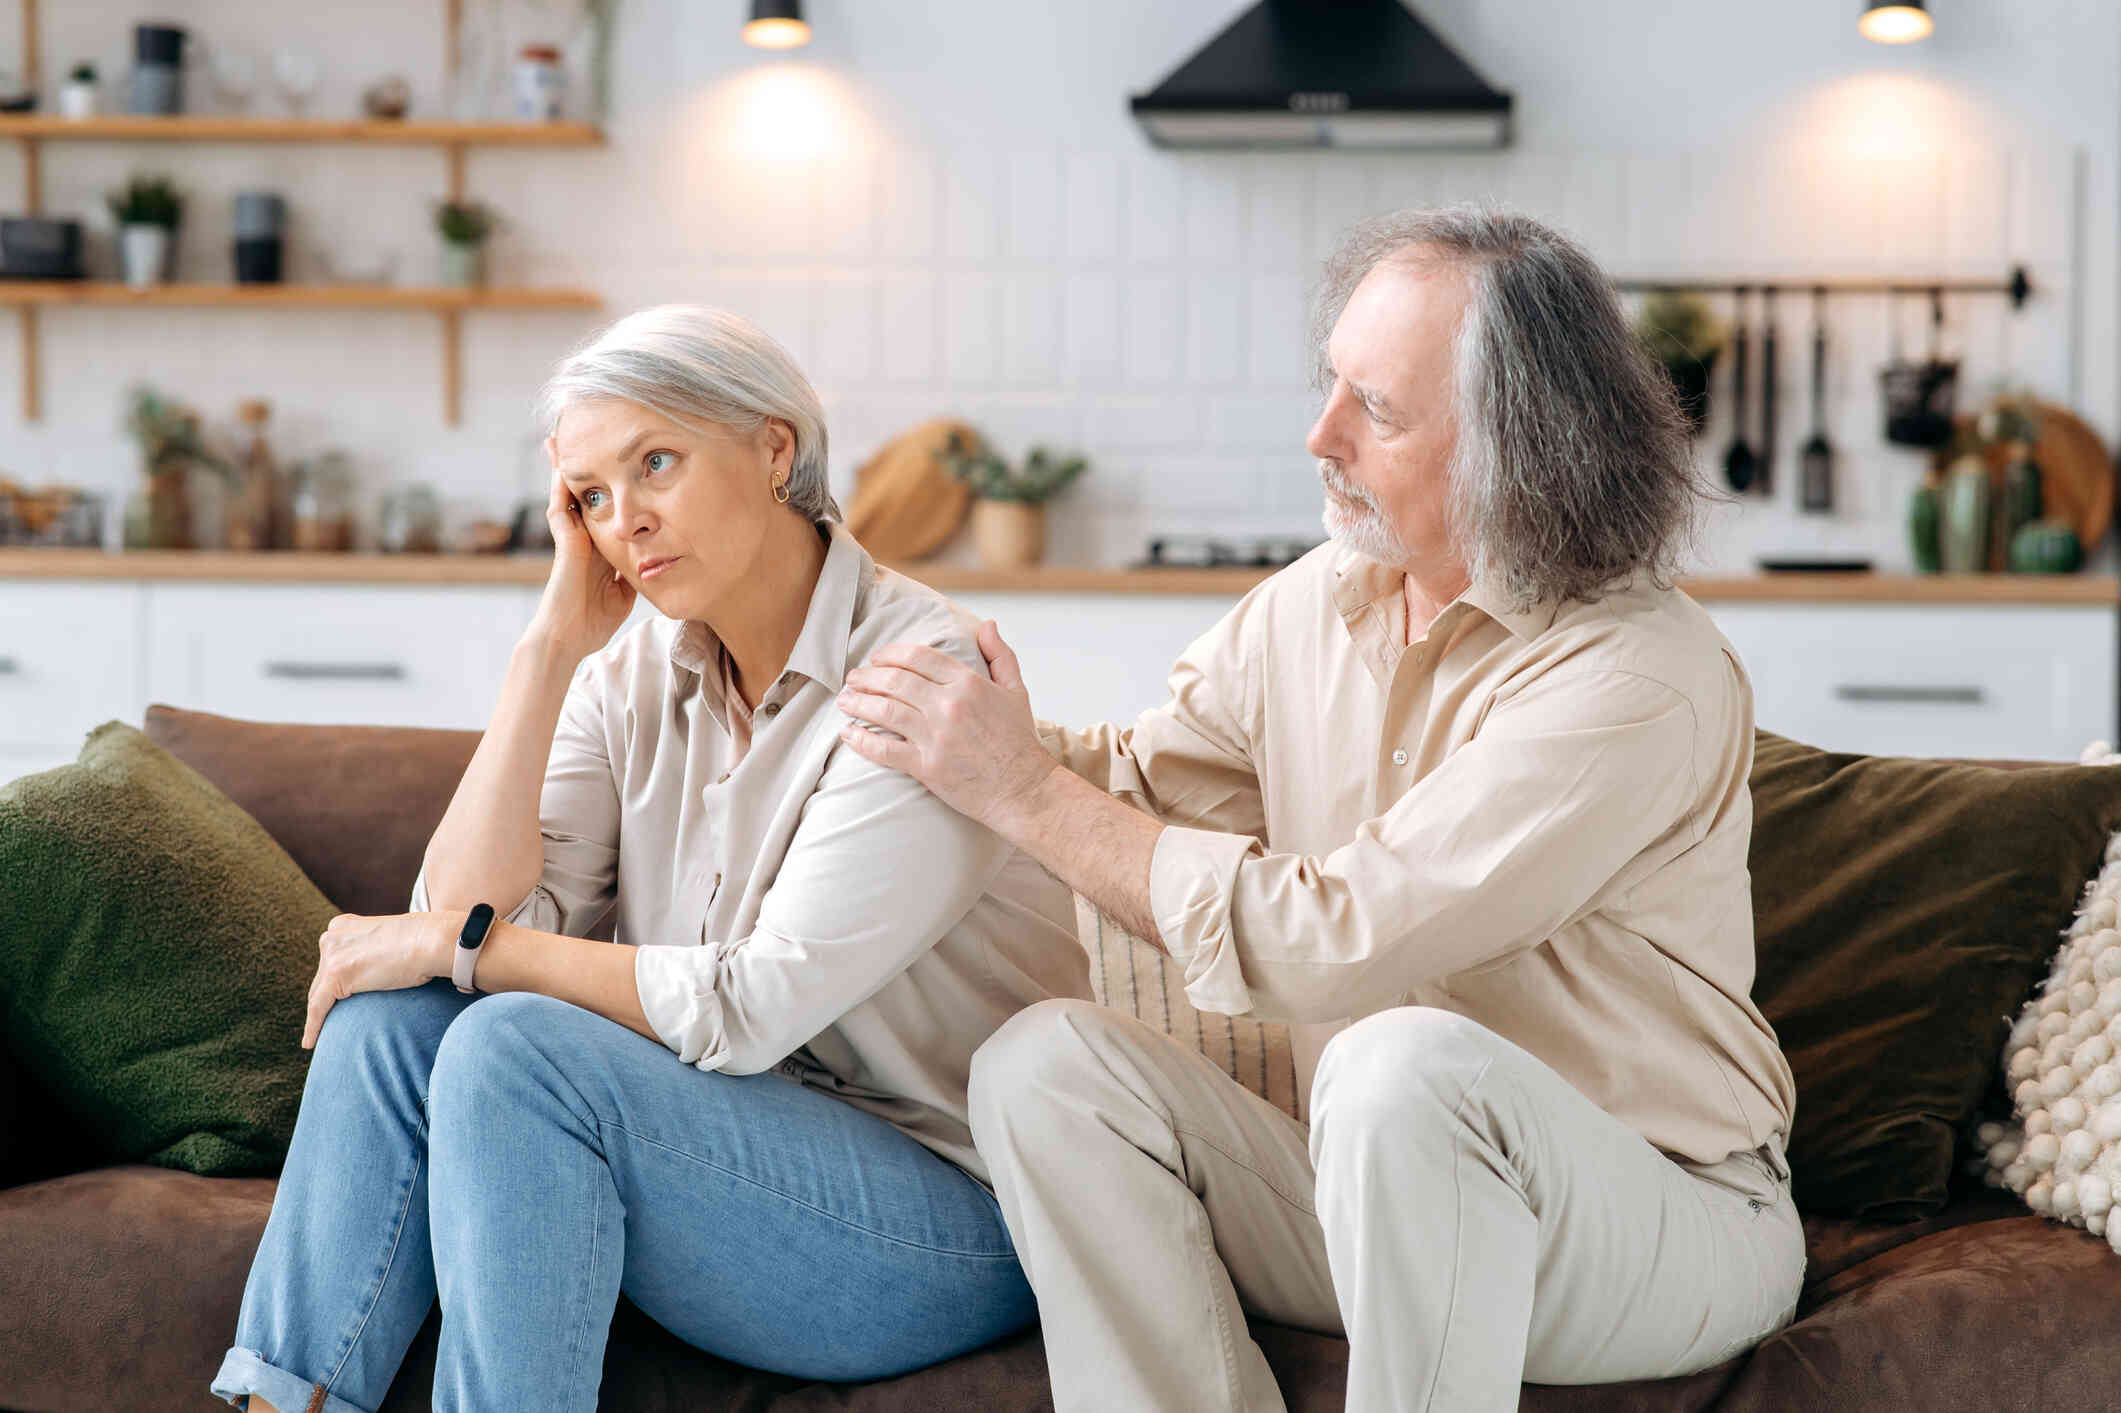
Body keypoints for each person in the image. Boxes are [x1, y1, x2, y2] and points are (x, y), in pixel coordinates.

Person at [833, 204, 1804, 1412]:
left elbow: (1331, 941)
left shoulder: (1635, 675)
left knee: (1402, 1069)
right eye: (1331, 386)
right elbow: (1144, 786)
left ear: (1520, 447)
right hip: (1377, 1183)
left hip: (1659, 1222)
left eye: (1376, 411)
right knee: (1049, 1067)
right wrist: (919, 707)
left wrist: (1017, 788)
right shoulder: (1321, 600)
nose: (1320, 435)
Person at [209, 305, 1088, 1413]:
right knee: (395, 1020)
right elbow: (461, 922)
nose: (624, 520)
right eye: (589, 496)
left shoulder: (924, 674)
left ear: (776, 449)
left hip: (949, 1225)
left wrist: (461, 945)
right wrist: (546, 652)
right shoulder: (625, 679)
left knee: (513, 1043)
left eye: (656, 463)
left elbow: (752, 1005)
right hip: (715, 1155)